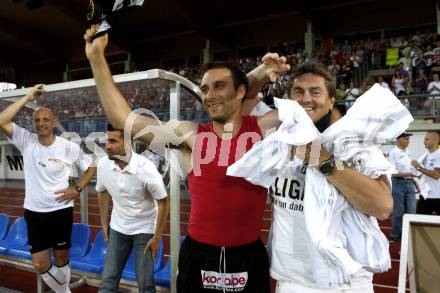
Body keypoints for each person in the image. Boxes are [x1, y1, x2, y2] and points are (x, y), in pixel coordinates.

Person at [83, 26, 288, 292]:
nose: (209, 95)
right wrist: (96, 56)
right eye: (204, 89)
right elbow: (123, 120)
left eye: (219, 86)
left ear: (240, 91)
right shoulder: (190, 135)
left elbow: (310, 112)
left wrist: (261, 72)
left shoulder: (262, 128)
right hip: (197, 255)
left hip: (248, 257)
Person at [267, 63, 392, 292]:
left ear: (331, 101)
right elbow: (231, 110)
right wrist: (260, 74)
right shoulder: (274, 143)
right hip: (291, 281)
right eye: (299, 91)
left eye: (315, 92)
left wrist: (321, 159)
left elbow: (383, 206)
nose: (306, 99)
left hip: (346, 283)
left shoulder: (356, 145)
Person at [0, 85, 96, 293]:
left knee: (62, 258)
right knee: (40, 264)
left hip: (60, 211)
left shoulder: (67, 146)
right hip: (34, 213)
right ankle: (64, 291)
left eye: (45, 120)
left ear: (53, 122)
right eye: (37, 120)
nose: (41, 123)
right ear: (33, 124)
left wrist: (77, 188)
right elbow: (1, 120)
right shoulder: (26, 140)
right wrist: (26, 97)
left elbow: (91, 166)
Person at [96, 124, 169, 292]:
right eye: (107, 140)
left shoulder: (146, 169)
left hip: (144, 230)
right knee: (108, 280)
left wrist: (157, 237)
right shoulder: (103, 165)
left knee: (145, 284)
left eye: (113, 141)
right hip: (118, 227)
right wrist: (103, 223)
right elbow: (101, 191)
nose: (107, 145)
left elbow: (163, 201)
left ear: (128, 143)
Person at [388, 132, 419, 242]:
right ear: (399, 140)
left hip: (409, 183)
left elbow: (410, 170)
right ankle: (395, 236)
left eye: (408, 139)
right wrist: (409, 175)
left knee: (412, 212)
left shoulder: (408, 152)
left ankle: (409, 236)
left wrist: (415, 183)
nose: (408, 141)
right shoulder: (393, 153)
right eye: (406, 139)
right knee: (398, 212)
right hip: (398, 183)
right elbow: (393, 173)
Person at [411, 131, 440, 215]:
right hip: (425, 195)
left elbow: (436, 175)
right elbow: (423, 174)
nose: (424, 141)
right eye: (424, 139)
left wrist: (418, 167)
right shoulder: (425, 155)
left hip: (437, 196)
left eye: (427, 139)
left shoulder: (439, 154)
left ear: (435, 141)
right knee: (419, 223)